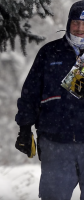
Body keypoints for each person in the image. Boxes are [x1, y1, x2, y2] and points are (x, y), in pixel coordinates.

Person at [15, 1, 84, 199]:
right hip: (56, 143)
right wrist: (24, 129)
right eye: (75, 23)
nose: (79, 29)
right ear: (69, 22)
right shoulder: (50, 52)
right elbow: (31, 93)